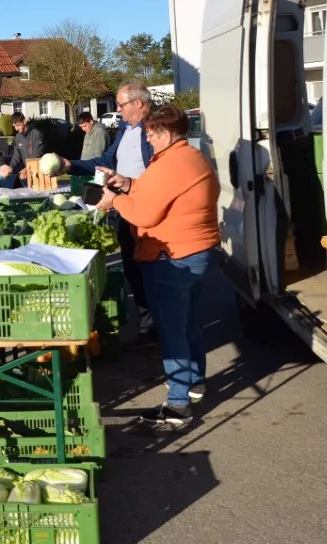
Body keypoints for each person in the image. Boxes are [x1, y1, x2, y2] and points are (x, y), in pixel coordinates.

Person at [96, 106, 219, 431]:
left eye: (150, 134)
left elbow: (146, 215)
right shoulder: (191, 158)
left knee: (171, 330)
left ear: (165, 133)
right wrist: (130, 184)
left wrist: (115, 201)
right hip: (195, 251)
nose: (148, 139)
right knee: (189, 323)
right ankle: (194, 384)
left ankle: (177, 405)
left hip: (172, 256)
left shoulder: (171, 164)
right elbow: (162, 194)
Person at [57, 81, 156, 343]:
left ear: (138, 103)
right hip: (123, 205)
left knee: (152, 267)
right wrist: (71, 165)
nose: (118, 110)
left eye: (122, 105)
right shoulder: (125, 129)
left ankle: (159, 328)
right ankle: (148, 326)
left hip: (147, 207)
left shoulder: (155, 130)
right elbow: (105, 161)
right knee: (132, 265)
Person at [7, 113, 48, 186]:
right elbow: (16, 156)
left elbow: (37, 156)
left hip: (40, 174)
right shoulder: (18, 137)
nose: (16, 128)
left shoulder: (37, 134)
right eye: (14, 126)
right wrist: (10, 168)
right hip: (27, 175)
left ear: (24, 121)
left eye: (18, 125)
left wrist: (26, 169)